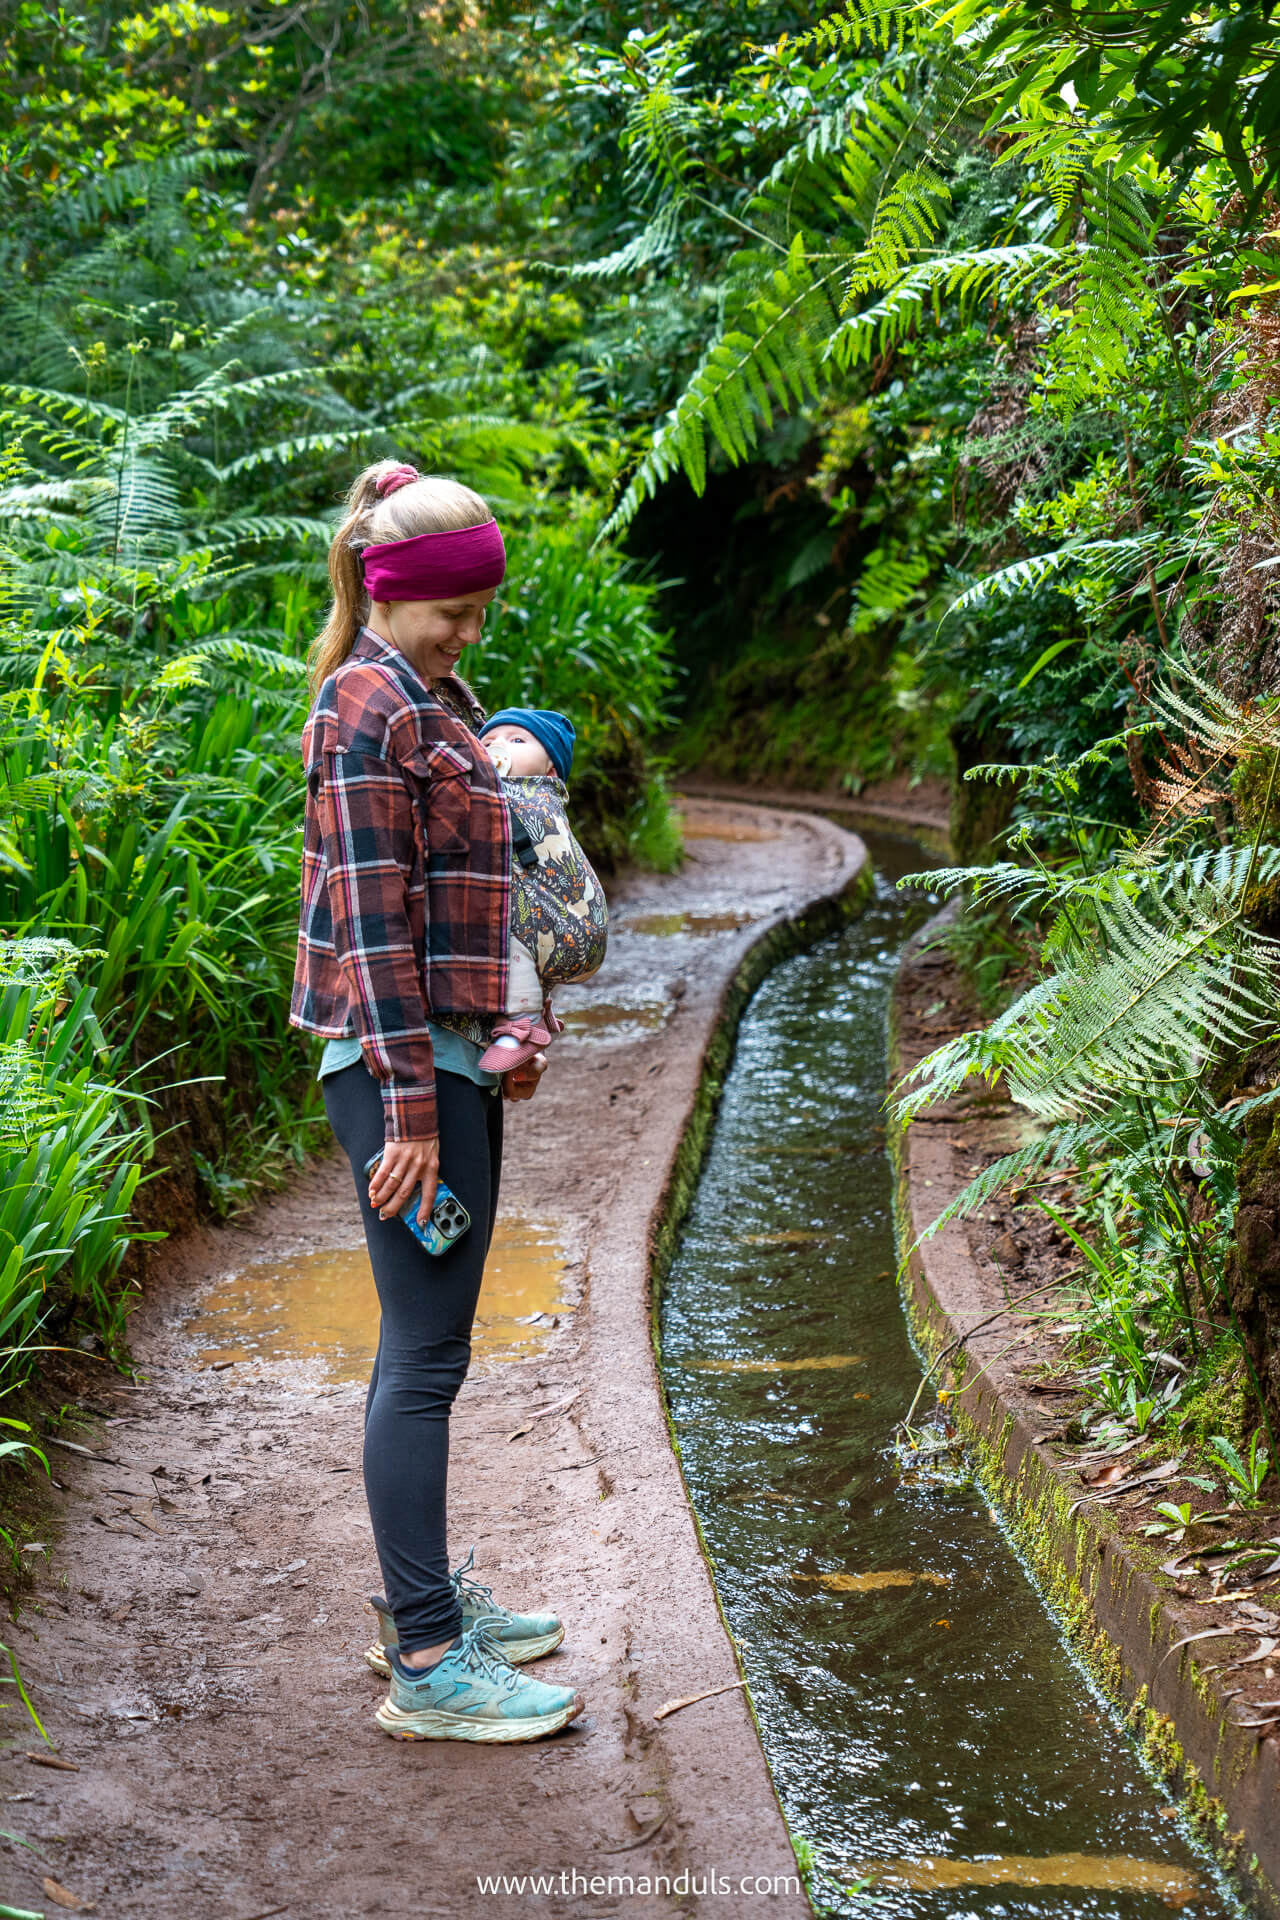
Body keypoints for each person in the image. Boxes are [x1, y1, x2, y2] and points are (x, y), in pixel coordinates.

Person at [289, 458, 585, 1744]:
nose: (471, 633)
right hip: (401, 1069)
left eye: (480, 611)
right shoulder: (366, 712)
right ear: (389, 588)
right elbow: (369, 930)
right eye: (452, 611)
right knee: (426, 1357)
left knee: (419, 1349)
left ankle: (416, 1604)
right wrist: (412, 1112)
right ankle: (425, 1661)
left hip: (455, 1056)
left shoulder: (429, 691)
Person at [471, 707, 609, 1075]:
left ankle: (522, 1023)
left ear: (550, 771)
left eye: (517, 740)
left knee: (508, 916)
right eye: (486, 742)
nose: (499, 747)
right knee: (518, 913)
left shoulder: (532, 797)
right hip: (569, 925)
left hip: (573, 926)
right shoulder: (517, 795)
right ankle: (537, 1008)